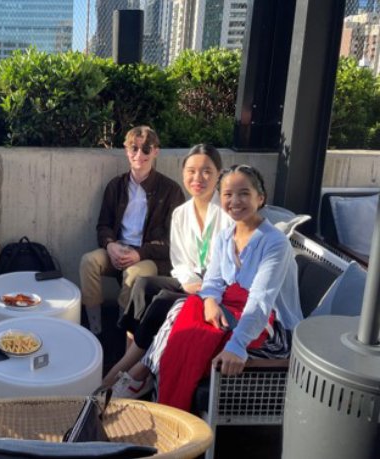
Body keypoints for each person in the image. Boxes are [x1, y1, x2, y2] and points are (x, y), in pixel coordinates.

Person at [110, 165, 303, 412]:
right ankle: (146, 385)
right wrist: (210, 302)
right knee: (184, 307)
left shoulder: (274, 243)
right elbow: (212, 281)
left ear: (260, 197)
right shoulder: (225, 236)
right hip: (231, 312)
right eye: (227, 194)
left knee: (181, 323)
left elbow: (261, 301)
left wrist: (236, 346)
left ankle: (142, 382)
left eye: (244, 193)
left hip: (270, 329)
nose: (235, 201)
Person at [104, 144, 232, 396]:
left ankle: (130, 373)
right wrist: (187, 280)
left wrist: (205, 287)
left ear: (219, 174)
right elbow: (179, 259)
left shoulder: (227, 213)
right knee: (143, 285)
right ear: (183, 173)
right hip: (191, 279)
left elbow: (230, 266)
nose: (198, 178)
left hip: (219, 287)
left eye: (207, 171)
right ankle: (129, 358)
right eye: (192, 171)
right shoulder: (182, 213)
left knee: (162, 300)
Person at [80, 125, 185, 335]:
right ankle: (95, 329)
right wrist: (110, 245)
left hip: (150, 257)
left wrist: (140, 253)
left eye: (146, 149)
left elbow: (174, 241)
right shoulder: (116, 186)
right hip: (119, 249)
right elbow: (103, 225)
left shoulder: (171, 190)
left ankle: (123, 330)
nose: (139, 154)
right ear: (126, 150)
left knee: (133, 275)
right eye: (134, 148)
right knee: (88, 262)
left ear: (156, 151)